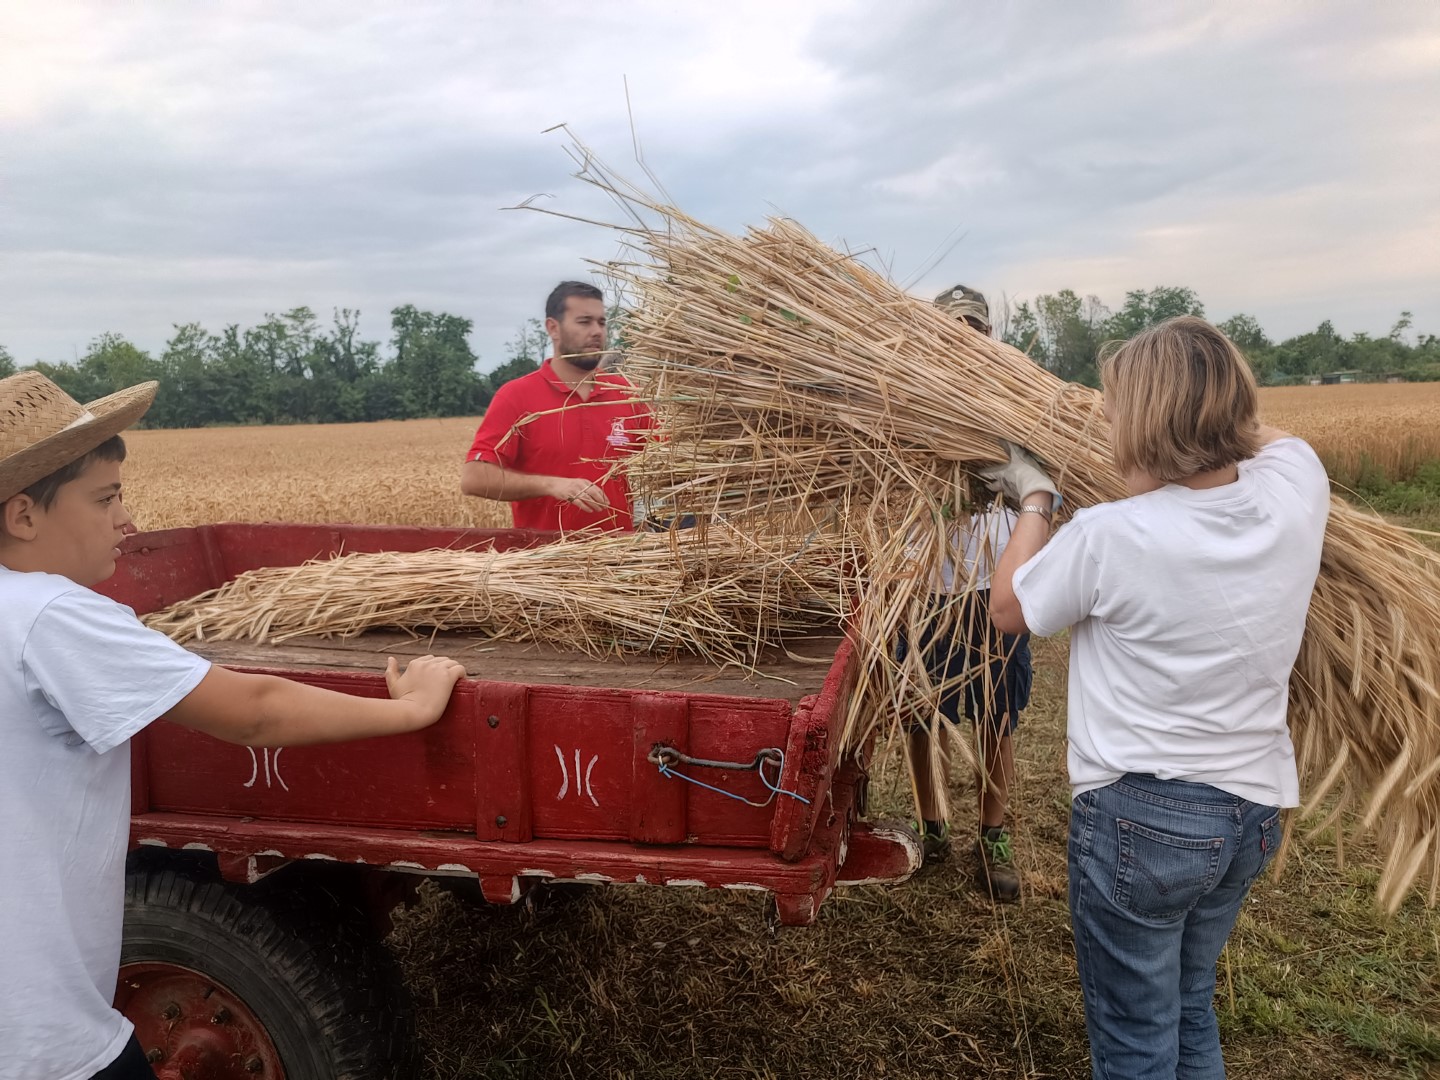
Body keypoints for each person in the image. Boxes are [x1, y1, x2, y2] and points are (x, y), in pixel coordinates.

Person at [0, 372, 467, 1080]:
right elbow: (252, 712)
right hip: (40, 1033)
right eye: (105, 499)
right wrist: (410, 709)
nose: (127, 520)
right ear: (23, 515)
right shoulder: (47, 616)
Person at [984, 317, 1330, 1079]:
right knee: (1187, 1007)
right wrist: (1209, 410)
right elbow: (1269, 440)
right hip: (1250, 811)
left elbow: (1008, 609)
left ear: (1145, 418)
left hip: (1144, 822)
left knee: (1137, 1036)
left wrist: (1036, 497)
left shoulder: (1114, 533)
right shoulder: (1294, 489)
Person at [900, 284, 1032, 903]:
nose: (964, 339)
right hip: (924, 582)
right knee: (922, 716)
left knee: (996, 714)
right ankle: (933, 830)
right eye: (953, 328)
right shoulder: (906, 401)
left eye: (974, 330)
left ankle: (993, 836)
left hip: (993, 584)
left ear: (987, 337)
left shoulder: (1014, 404)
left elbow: (1037, 483)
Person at [462, 280, 653, 532]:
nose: (597, 331)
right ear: (553, 328)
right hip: (546, 562)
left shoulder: (628, 394)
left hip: (621, 562)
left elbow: (667, 458)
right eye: (584, 322)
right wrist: (552, 485)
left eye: (602, 322)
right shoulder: (517, 396)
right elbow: (474, 478)